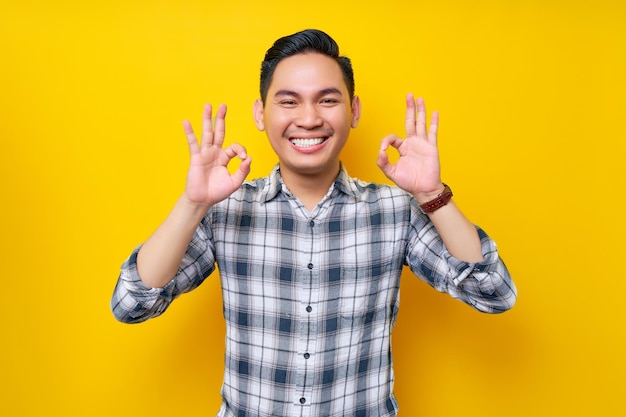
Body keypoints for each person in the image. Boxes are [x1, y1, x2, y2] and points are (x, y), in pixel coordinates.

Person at [111, 29, 517, 417]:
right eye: (288, 102)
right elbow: (132, 305)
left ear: (353, 111)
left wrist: (432, 196)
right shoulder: (226, 209)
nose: (308, 119)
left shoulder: (396, 210)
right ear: (260, 113)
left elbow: (493, 293)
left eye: (327, 100)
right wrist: (192, 204)